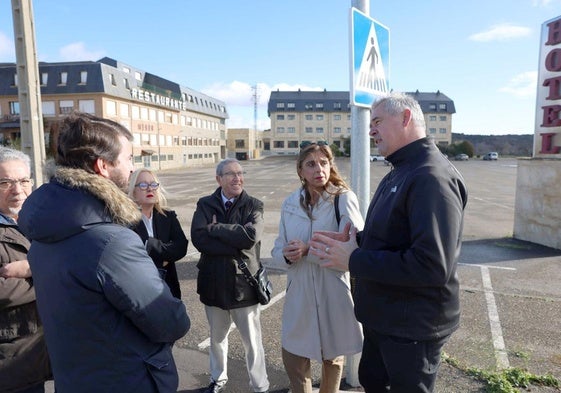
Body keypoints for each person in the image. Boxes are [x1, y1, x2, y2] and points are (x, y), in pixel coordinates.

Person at [18, 112, 190, 393]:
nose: (133, 168)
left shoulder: (47, 227)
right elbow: (171, 323)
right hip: (126, 381)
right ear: (103, 166)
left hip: (75, 379)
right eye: (129, 158)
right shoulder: (111, 242)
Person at [309, 92, 468, 393]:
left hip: (411, 329)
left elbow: (431, 265)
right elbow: (392, 237)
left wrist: (353, 260)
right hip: (385, 320)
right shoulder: (400, 170)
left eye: (378, 121)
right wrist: (353, 240)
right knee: (373, 382)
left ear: (406, 118)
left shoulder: (430, 177)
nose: (370, 131)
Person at [271, 141, 364, 393]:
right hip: (299, 291)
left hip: (331, 290)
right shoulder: (290, 203)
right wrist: (287, 256)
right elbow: (276, 250)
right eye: (311, 164)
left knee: (331, 357)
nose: (318, 169)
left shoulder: (342, 198)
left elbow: (355, 247)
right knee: (294, 358)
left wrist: (307, 251)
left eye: (324, 163)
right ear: (300, 170)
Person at [191, 158, 269, 393]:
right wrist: (234, 243)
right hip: (213, 284)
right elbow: (199, 240)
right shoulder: (205, 204)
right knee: (217, 339)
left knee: (252, 342)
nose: (237, 178)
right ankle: (218, 379)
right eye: (231, 174)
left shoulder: (254, 204)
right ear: (219, 179)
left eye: (240, 173)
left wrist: (215, 229)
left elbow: (250, 237)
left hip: (243, 285)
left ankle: (260, 385)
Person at [0, 148, 51, 393]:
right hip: (11, 359)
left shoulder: (43, 223)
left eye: (23, 181)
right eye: (5, 182)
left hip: (41, 352)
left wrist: (33, 267)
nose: (17, 190)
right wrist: (48, 272)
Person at [128, 168, 188, 299]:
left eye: (153, 184)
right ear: (133, 192)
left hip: (168, 289)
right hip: (139, 292)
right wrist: (164, 259)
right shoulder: (125, 221)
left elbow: (181, 247)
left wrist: (150, 245)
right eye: (143, 185)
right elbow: (132, 258)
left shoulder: (168, 216)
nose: (150, 189)